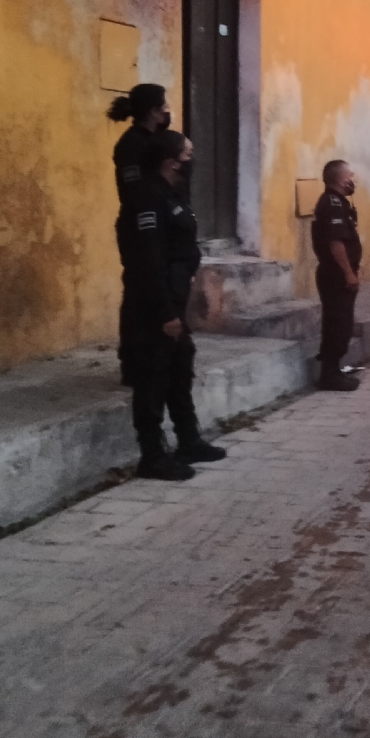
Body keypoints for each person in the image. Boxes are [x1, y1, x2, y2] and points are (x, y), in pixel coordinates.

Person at [118, 129, 227, 479]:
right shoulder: (148, 197)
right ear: (170, 160)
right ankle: (152, 455)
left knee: (180, 369)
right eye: (188, 153)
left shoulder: (171, 193)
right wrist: (166, 312)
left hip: (174, 298)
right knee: (152, 377)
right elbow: (149, 259)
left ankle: (188, 440)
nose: (192, 160)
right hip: (153, 303)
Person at [107, 84, 174, 382]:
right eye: (163, 107)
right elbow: (134, 192)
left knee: (158, 288)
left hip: (159, 224)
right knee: (137, 290)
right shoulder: (131, 145)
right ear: (152, 112)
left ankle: (154, 355)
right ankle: (132, 362)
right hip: (139, 226)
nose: (167, 112)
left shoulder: (155, 139)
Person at [313, 160, 363, 392]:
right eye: (350, 176)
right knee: (337, 323)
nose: (353, 179)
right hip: (335, 275)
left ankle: (334, 371)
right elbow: (336, 243)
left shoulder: (338, 203)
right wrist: (348, 274)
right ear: (343, 180)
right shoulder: (332, 204)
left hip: (338, 274)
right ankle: (330, 375)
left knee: (342, 323)